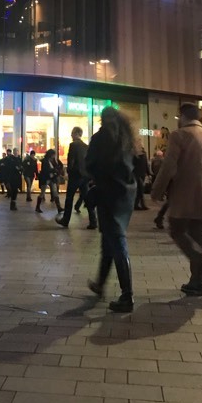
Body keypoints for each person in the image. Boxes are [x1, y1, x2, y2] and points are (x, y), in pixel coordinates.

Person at [151, 103, 202, 296]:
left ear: (182, 116)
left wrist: (156, 191)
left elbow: (168, 166)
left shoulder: (179, 135)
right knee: (197, 234)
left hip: (186, 193)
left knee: (176, 229)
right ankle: (197, 281)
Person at [86, 106, 137, 312]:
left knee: (116, 241)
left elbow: (89, 164)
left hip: (108, 193)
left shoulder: (101, 137)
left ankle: (127, 295)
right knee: (109, 239)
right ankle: (100, 284)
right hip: (125, 194)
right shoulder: (126, 138)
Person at [57, 127, 97, 229]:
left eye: (72, 133)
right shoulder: (86, 146)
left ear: (76, 133)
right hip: (85, 176)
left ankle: (65, 220)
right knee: (87, 199)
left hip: (75, 176)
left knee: (69, 198)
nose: (71, 135)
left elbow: (71, 161)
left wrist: (68, 172)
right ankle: (93, 221)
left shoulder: (73, 145)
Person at [36, 149, 62, 214]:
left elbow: (58, 166)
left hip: (52, 178)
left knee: (55, 192)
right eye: (53, 155)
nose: (54, 156)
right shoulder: (45, 161)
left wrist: (56, 170)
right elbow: (45, 170)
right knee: (42, 192)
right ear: (51, 155)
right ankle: (37, 207)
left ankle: (59, 208)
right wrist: (54, 170)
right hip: (46, 178)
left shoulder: (53, 160)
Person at [133, 141, 150, 210]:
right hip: (137, 174)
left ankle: (137, 204)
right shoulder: (134, 154)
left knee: (140, 190)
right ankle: (141, 204)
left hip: (142, 174)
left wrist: (148, 173)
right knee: (140, 189)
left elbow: (146, 164)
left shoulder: (144, 154)